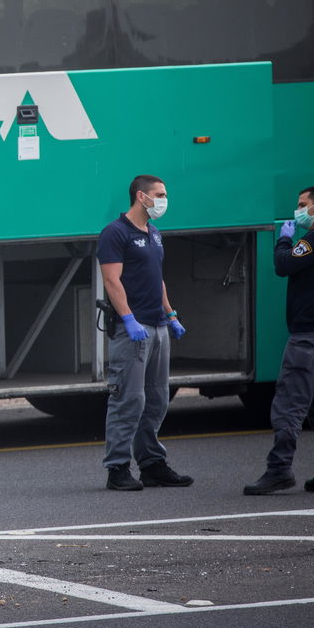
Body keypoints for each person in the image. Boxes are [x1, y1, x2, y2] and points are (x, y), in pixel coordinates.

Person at [244, 186, 314, 496]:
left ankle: (279, 470)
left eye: (302, 204)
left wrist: (283, 239)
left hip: (310, 338)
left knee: (289, 405)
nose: (297, 210)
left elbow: (284, 265)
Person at [97, 175, 194, 491]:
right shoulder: (115, 233)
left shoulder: (154, 234)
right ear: (141, 196)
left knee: (156, 400)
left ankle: (152, 464)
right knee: (128, 400)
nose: (164, 200)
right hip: (134, 331)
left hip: (159, 326)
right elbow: (112, 280)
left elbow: (157, 278)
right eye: (160, 194)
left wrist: (172, 314)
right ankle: (118, 468)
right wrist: (129, 319)